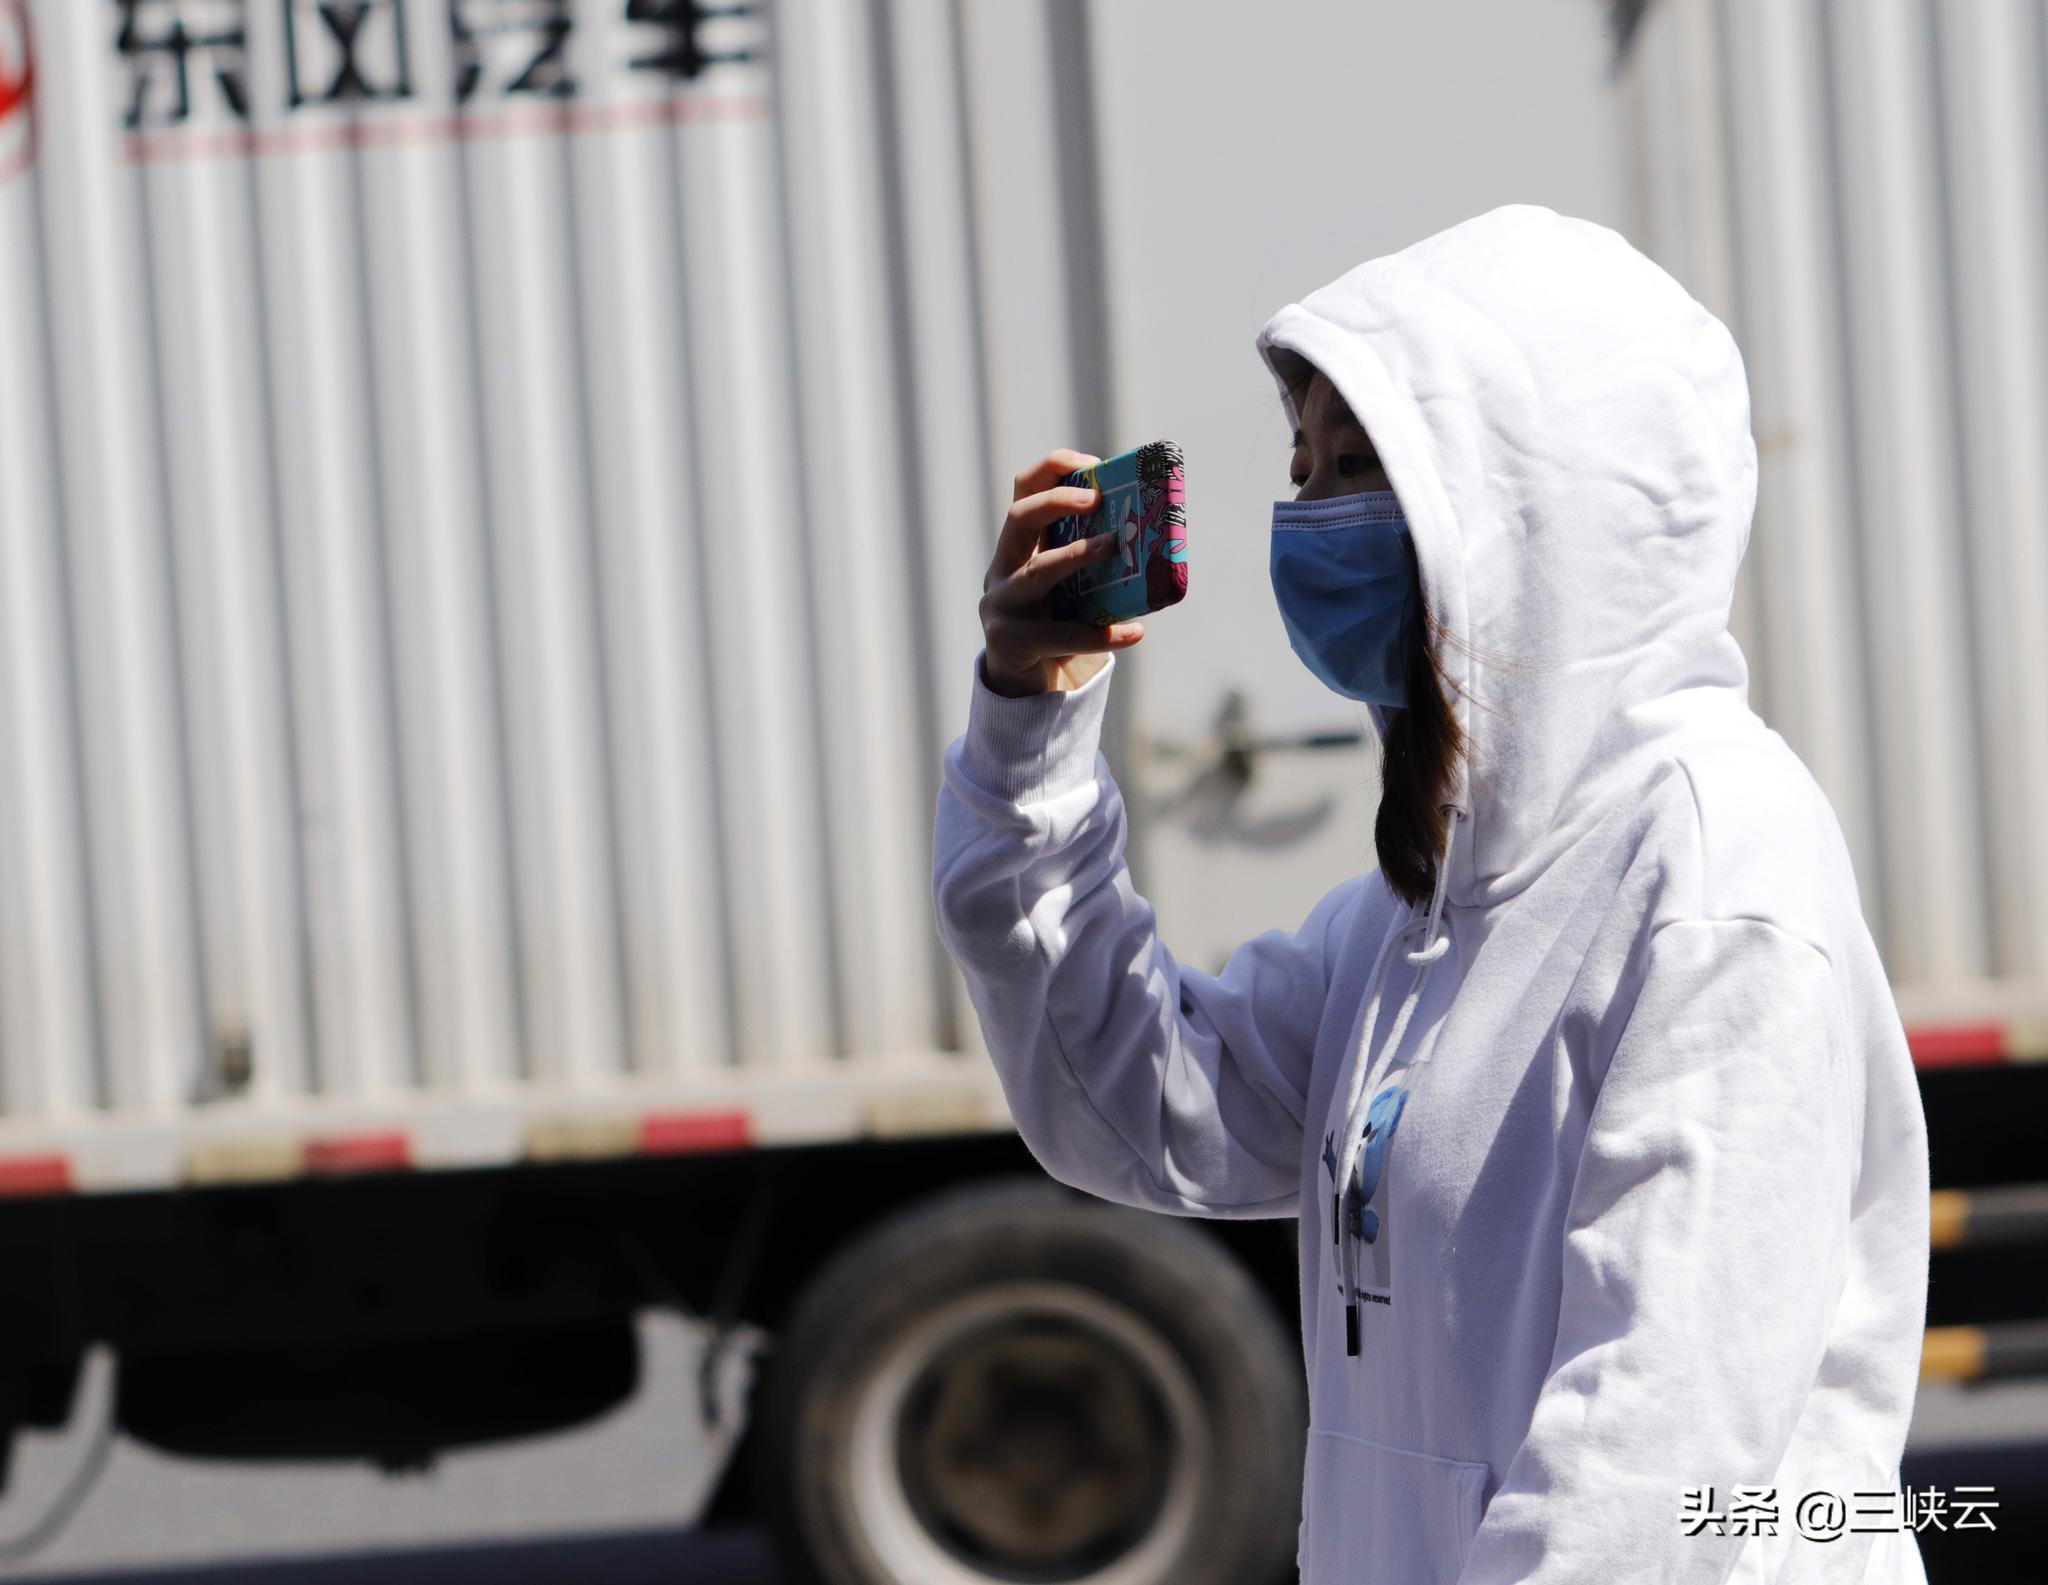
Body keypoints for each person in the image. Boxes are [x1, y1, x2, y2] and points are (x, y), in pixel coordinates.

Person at [930, 203, 1931, 1584]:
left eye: (1364, 467)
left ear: (1539, 499)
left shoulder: (1710, 867)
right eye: (1306, 467)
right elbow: (1135, 1104)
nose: (1313, 517)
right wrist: (1028, 720)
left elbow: (1648, 1471)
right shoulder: (1426, 905)